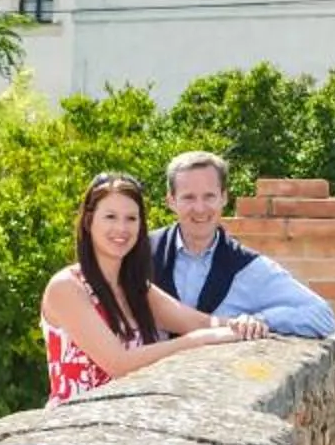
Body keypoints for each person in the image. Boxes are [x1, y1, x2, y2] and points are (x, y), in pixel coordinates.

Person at [40, 171, 267, 404]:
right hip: (77, 421)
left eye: (131, 218)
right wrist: (193, 341)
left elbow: (199, 322)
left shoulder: (135, 288)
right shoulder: (66, 287)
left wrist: (241, 324)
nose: (122, 228)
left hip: (132, 418)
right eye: (110, 217)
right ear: (89, 221)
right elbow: (119, 364)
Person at [151, 151, 335, 340]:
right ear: (171, 201)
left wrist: (260, 320)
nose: (200, 208)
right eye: (189, 197)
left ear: (224, 198)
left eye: (209, 196)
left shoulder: (249, 267)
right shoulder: (142, 252)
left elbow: (323, 317)